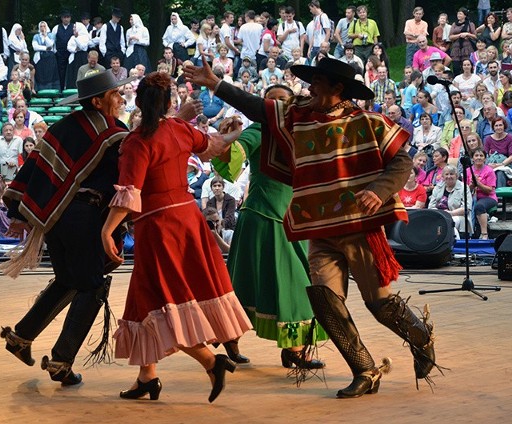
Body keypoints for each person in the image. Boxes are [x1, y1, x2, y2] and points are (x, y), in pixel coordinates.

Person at [185, 56, 439, 398]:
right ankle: (364, 369)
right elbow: (259, 108)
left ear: (337, 88)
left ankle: (420, 336)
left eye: (317, 82)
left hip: (358, 226)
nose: (309, 87)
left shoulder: (367, 122)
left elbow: (402, 160)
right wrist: (216, 84)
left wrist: (378, 192)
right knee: (325, 302)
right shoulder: (300, 116)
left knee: (378, 302)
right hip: (317, 228)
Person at [100, 71, 249, 403]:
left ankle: (212, 361)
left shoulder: (136, 142)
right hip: (187, 219)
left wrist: (107, 229)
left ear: (138, 103)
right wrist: (238, 132)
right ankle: (147, 376)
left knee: (167, 301)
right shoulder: (179, 129)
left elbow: (129, 194)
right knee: (145, 298)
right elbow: (212, 148)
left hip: (159, 227)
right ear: (167, 103)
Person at [0, 70, 134, 386]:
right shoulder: (114, 132)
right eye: (116, 95)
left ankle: (21, 337)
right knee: (91, 286)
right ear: (99, 101)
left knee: (68, 280)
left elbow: (35, 170)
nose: (121, 98)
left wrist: (24, 210)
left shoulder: (64, 126)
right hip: (85, 220)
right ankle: (61, 361)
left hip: (54, 220)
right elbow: (124, 181)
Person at [210, 83, 327, 368]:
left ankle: (234, 337)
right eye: (270, 101)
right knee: (292, 288)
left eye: (282, 100)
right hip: (265, 217)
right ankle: (293, 348)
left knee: (250, 286)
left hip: (296, 220)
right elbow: (233, 155)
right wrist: (226, 141)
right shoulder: (260, 130)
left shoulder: (304, 132)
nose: (276, 105)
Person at [428, 165, 472, 234]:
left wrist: (450, 213)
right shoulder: (438, 187)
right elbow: (431, 206)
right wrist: (440, 214)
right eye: (446, 174)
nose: (449, 176)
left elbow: (467, 208)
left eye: (451, 174)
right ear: (443, 176)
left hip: (457, 216)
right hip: (439, 215)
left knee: (449, 223)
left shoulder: (464, 188)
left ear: (456, 176)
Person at [466, 147, 498, 239]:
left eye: (481, 155)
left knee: (479, 206)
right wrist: (472, 185)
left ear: (485, 158)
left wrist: (478, 184)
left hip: (488, 197)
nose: (479, 158)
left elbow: (489, 190)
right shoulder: (468, 171)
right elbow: (465, 189)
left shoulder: (489, 171)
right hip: (471, 197)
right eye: (476, 155)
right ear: (472, 158)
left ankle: (484, 234)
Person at [32, 21, 60, 91]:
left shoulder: (51, 35)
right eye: (41, 26)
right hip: (40, 59)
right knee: (40, 75)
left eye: (44, 26)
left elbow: (50, 45)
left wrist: (45, 36)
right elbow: (35, 47)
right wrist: (45, 48)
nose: (42, 28)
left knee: (50, 76)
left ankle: (51, 92)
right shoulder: (36, 36)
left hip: (49, 58)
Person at [52, 10, 74, 90]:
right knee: (61, 72)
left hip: (71, 53)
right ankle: (61, 89)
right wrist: (55, 51)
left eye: (67, 17)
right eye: (64, 17)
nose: (66, 19)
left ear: (70, 18)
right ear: (61, 18)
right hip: (60, 53)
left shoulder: (74, 26)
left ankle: (70, 89)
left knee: (71, 71)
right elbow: (52, 41)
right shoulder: (56, 28)